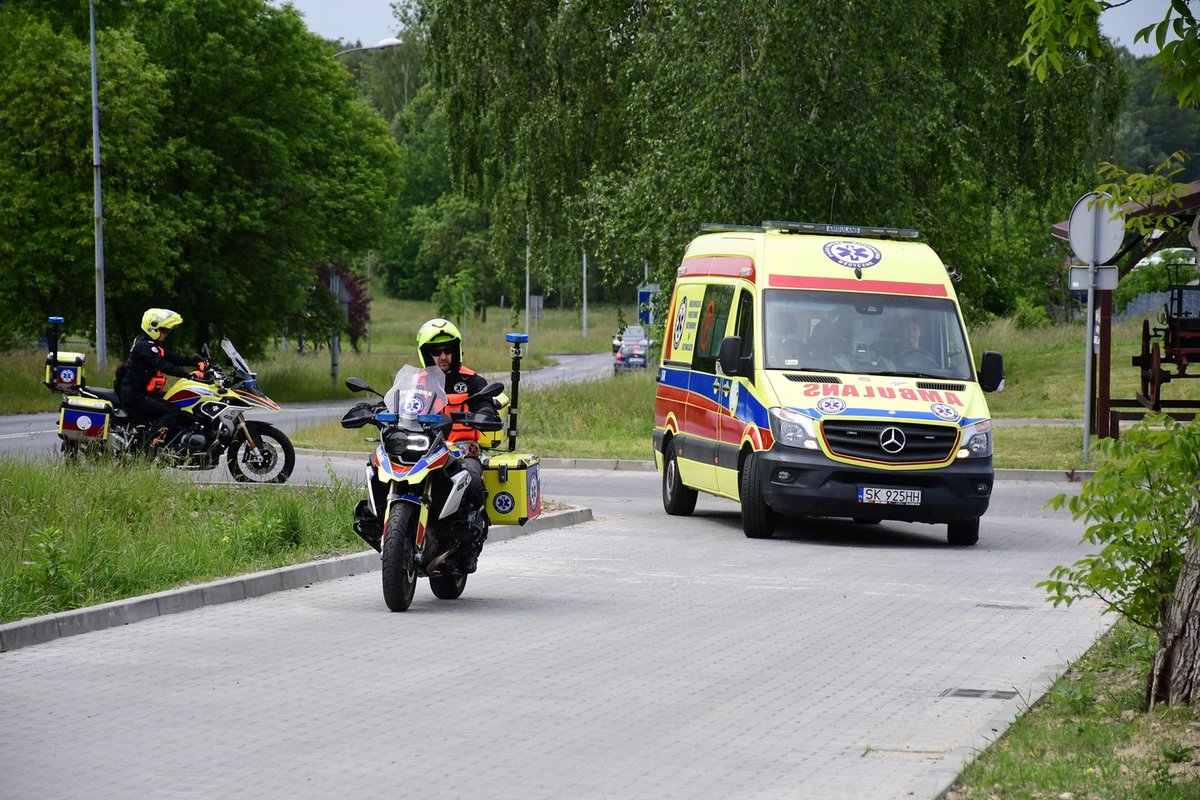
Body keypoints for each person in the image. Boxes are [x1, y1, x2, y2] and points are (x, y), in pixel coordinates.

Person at [416, 317, 501, 573]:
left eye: (448, 350)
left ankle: (471, 543)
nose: (443, 356)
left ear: (456, 351)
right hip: (425, 449)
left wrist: (485, 413)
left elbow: (485, 402)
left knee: (472, 478)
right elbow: (396, 403)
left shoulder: (472, 380)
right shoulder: (417, 381)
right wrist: (378, 409)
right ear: (426, 354)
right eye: (436, 352)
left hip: (461, 448)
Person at [116, 308, 207, 448]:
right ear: (153, 328)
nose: (167, 334)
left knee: (178, 401)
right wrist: (188, 375)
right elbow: (163, 365)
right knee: (172, 411)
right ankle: (145, 448)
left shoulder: (148, 343)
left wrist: (194, 362)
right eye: (164, 330)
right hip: (134, 394)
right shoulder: (144, 346)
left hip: (140, 391)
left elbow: (171, 357)